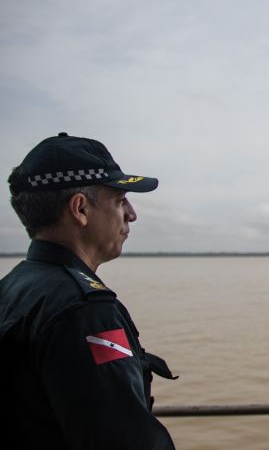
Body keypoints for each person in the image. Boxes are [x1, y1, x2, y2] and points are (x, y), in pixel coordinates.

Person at [0, 133, 177, 449]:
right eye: (120, 200)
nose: (131, 214)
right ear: (80, 209)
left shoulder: (14, 287)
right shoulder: (85, 311)